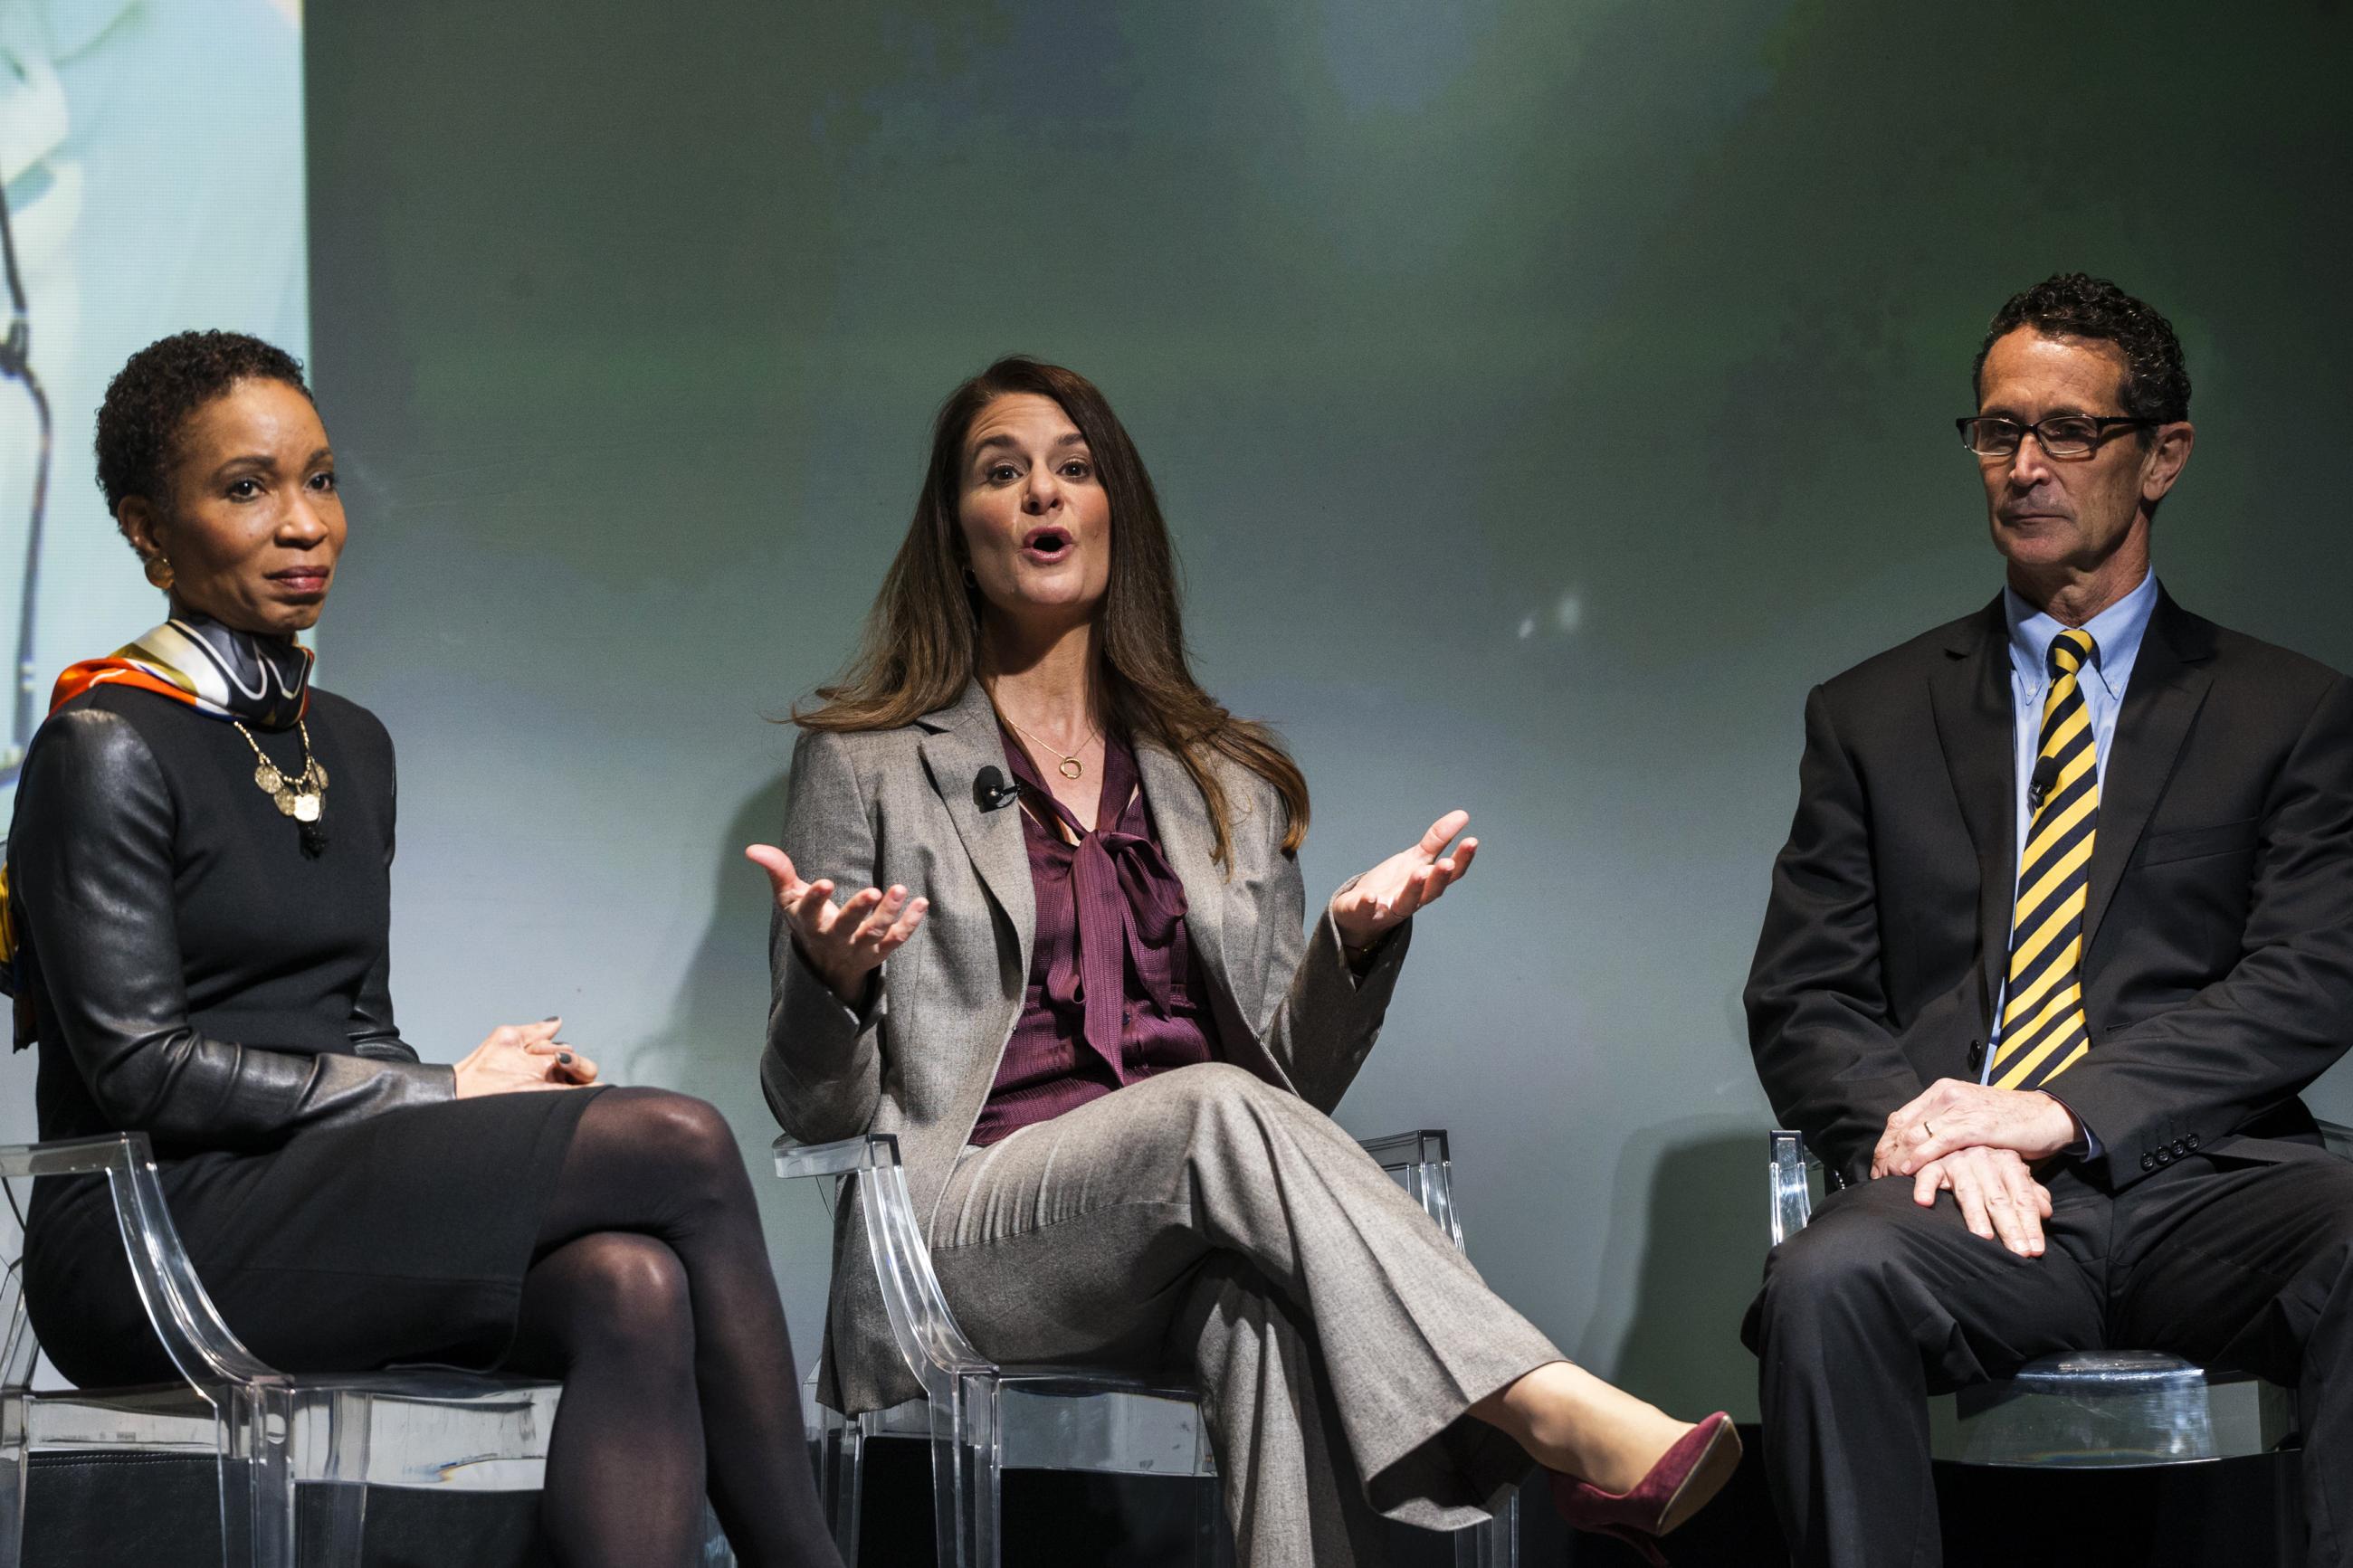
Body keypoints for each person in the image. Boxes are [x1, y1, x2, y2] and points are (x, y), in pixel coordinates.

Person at [751, 356, 1739, 1567]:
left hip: (1180, 1214)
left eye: (1075, 468)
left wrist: (1354, 945)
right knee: (1212, 1115)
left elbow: (1292, 1091)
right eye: (1002, 474)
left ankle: (1530, 1417)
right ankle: (1551, 1407)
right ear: (959, 536)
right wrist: (835, 985)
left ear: (1119, 514)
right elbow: (813, 1107)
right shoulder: (867, 763)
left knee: (1263, 1303)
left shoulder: (1222, 772)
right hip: (969, 1228)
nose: (1043, 495)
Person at [5, 331, 843, 1568]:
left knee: (631, 1287)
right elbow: (141, 1072)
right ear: (146, 529)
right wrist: (448, 1094)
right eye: (246, 488)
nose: (305, 524)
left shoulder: (351, 741)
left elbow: (353, 1029)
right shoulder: (105, 743)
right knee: (680, 1141)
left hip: (301, 1197)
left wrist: (468, 1090)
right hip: (149, 1230)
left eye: (323, 480)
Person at [1743, 274, 2353, 1566]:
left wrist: (2065, 1109)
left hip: (2212, 1183)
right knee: (1822, 1282)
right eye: (1996, 431)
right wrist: (1938, 1132)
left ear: (2162, 455)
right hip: (1966, 1199)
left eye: (2067, 432)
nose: (2024, 466)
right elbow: (1805, 996)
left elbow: (2309, 978)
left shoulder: (2287, 709)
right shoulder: (1870, 713)